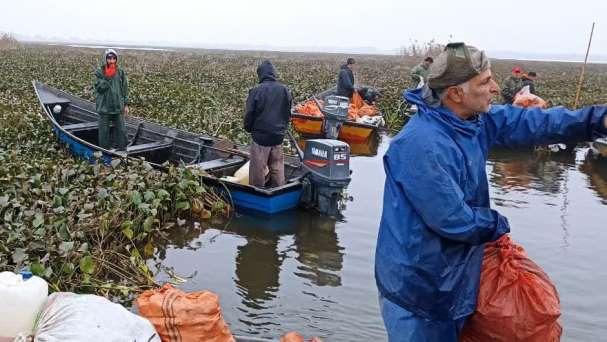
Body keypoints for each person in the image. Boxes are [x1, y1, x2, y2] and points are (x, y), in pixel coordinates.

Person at [375, 42, 607, 342]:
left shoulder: (474, 121)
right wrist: (499, 228)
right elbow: (454, 221)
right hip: (418, 290)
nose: (495, 88)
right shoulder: (419, 145)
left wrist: (596, 120)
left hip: (458, 277)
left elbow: (534, 122)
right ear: (456, 93)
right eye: (485, 82)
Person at [244, 60, 292, 188]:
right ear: (273, 73)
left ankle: (257, 193)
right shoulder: (285, 90)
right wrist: (282, 129)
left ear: (260, 75)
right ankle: (279, 191)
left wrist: (249, 129)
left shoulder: (256, 90)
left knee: (257, 170)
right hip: (278, 137)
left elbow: (249, 114)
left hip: (261, 138)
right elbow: (287, 113)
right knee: (277, 168)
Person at [94, 48, 129, 150]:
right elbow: (100, 88)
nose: (112, 61)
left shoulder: (121, 72)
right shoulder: (99, 72)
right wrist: (108, 76)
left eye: (114, 58)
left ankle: (123, 150)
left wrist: (126, 104)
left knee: (122, 130)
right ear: (105, 59)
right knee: (104, 132)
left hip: (118, 107)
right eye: (109, 58)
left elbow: (124, 89)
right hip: (104, 107)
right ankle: (104, 151)